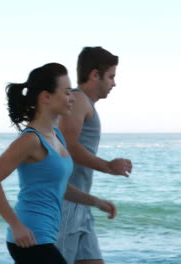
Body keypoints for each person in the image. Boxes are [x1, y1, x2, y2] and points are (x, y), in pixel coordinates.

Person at [0, 63, 117, 264]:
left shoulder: (56, 136)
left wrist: (95, 201)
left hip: (44, 237)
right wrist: (16, 226)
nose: (72, 98)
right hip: (29, 239)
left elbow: (58, 187)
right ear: (46, 97)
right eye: (67, 93)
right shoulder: (30, 140)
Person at [56, 47, 133, 264]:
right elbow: (67, 146)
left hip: (81, 204)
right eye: (111, 76)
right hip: (66, 203)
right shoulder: (78, 100)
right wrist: (108, 166)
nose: (114, 83)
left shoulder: (83, 103)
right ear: (94, 75)